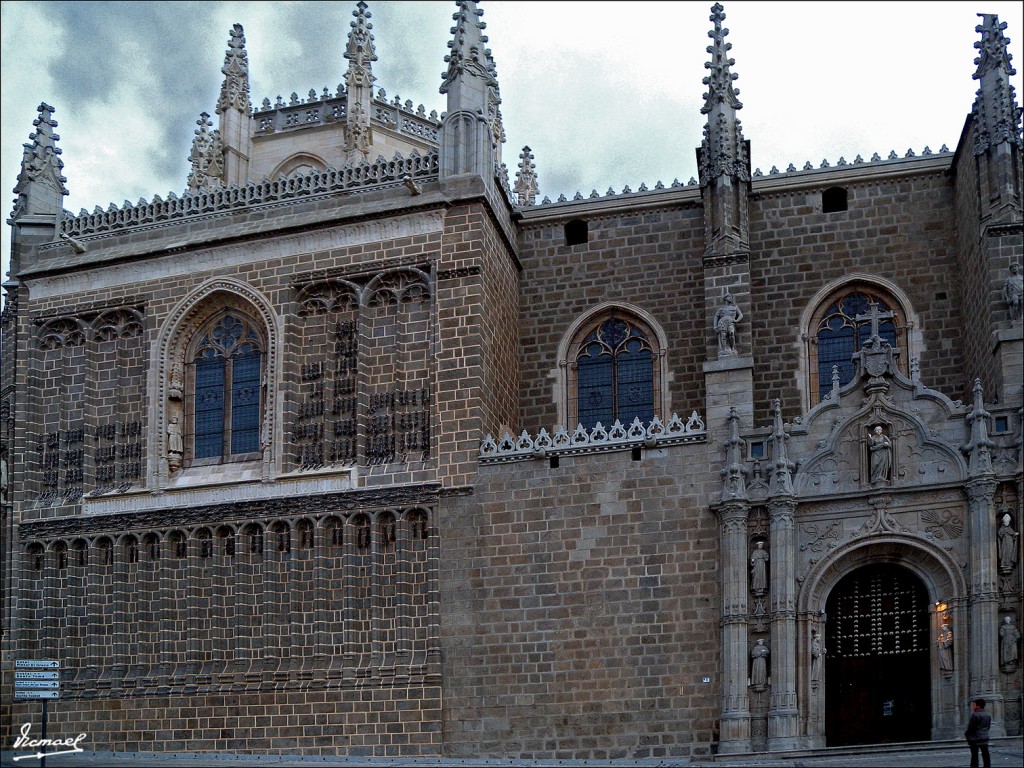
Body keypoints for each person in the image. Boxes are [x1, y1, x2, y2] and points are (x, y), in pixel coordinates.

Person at [964, 698, 991, 768]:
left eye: (974, 705)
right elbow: (988, 726)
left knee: (974, 754)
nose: (973, 707)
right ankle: (987, 766)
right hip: (984, 737)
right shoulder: (988, 714)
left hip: (975, 738)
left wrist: (967, 734)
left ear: (978, 706)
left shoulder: (975, 715)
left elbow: (971, 727)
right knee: (985, 753)